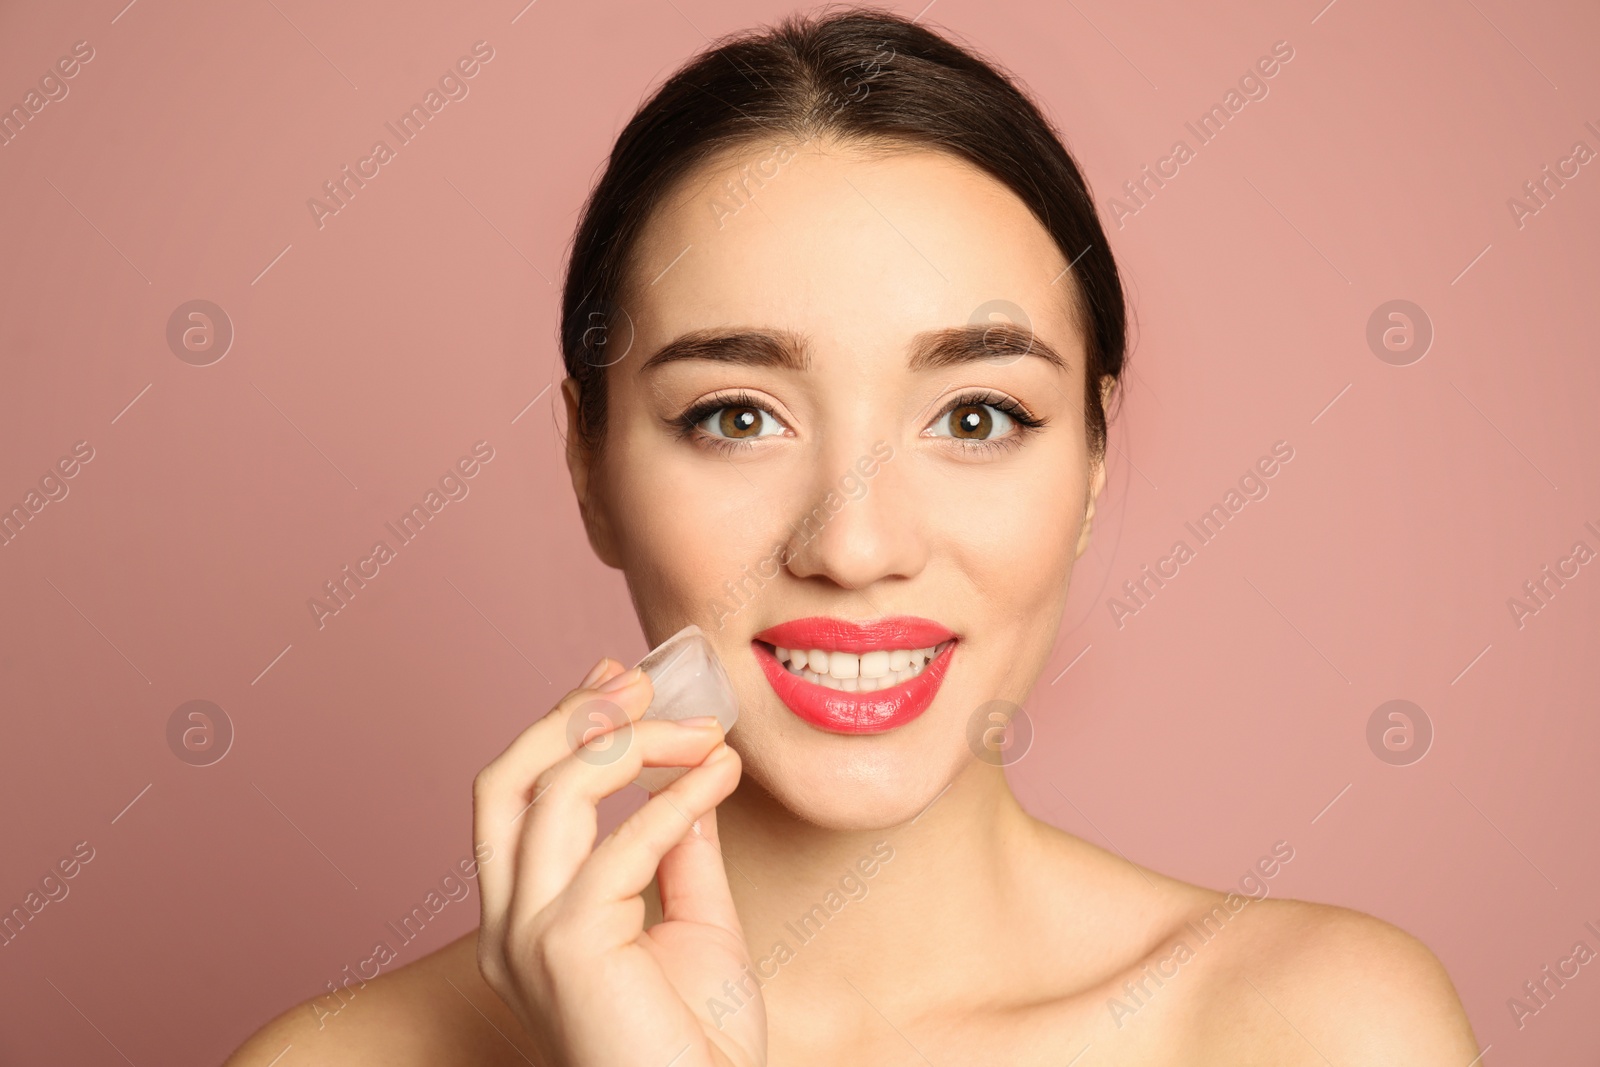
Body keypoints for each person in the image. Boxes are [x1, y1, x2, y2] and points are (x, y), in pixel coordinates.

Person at [226, 7, 1480, 1063]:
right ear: (589, 466)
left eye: (977, 413)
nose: (857, 540)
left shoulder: (1317, 1026)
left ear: (1094, 459)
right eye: (736, 414)